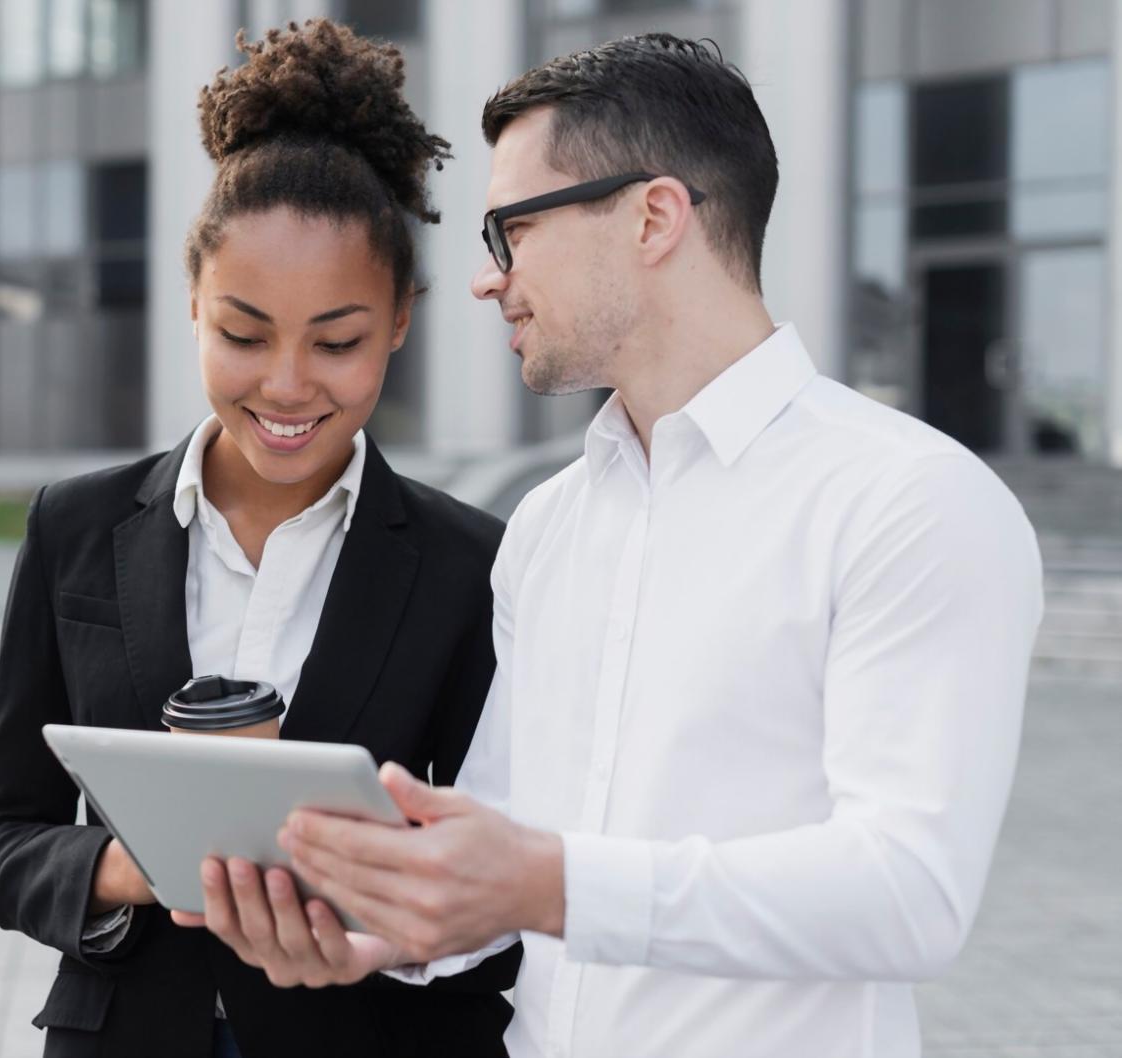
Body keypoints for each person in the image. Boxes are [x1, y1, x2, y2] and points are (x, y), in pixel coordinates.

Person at [178, 33, 1045, 1058]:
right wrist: (376, 926)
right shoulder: (548, 524)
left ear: (653, 217)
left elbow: (908, 895)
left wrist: (551, 882)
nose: (487, 280)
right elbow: (501, 842)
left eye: (512, 230)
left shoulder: (909, 501)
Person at [0, 20, 519, 1058]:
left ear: (400, 321)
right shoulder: (74, 528)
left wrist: (374, 898)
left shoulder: (472, 566)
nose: (287, 385)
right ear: (193, 307)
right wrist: (133, 865)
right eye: (243, 334)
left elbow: (499, 882)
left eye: (338, 340)